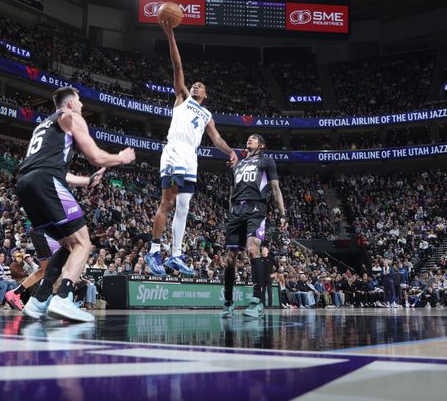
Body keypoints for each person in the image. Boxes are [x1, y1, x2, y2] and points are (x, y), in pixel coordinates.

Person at [15, 86, 135, 322]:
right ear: (70, 104)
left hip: (25, 184)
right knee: (83, 243)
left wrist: (87, 181)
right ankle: (64, 297)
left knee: (67, 245)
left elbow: (58, 172)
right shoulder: (71, 116)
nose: (82, 107)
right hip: (45, 180)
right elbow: (96, 157)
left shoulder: (44, 125)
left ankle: (38, 300)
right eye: (79, 102)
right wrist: (120, 158)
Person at [145, 20, 238, 277]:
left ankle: (175, 255)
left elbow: (216, 139)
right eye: (194, 84)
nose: (195, 86)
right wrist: (171, 36)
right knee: (169, 201)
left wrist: (231, 151)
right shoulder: (182, 98)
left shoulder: (207, 113)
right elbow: (178, 66)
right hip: (175, 150)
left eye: (200, 86)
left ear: (206, 95)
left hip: (191, 158)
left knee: (184, 207)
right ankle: (153, 250)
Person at [6, 163, 104, 315]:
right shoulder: (52, 173)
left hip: (41, 224)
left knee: (51, 265)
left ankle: (38, 298)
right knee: (51, 266)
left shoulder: (44, 174)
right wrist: (87, 180)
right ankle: (44, 296)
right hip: (43, 231)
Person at [220, 134, 286, 319]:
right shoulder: (236, 165)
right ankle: (228, 301)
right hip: (236, 211)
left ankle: (257, 301)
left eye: (254, 138)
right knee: (230, 258)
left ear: (261, 145)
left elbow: (275, 188)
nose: (249, 139)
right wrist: (230, 210)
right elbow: (232, 191)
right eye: (248, 138)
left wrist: (282, 214)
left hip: (257, 208)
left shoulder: (267, 162)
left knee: (252, 249)